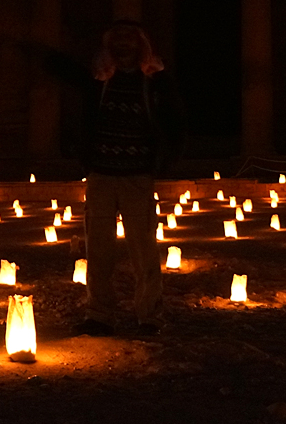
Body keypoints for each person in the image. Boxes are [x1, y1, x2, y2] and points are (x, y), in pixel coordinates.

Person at [27, 21, 185, 336]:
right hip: (101, 173)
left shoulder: (154, 81)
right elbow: (67, 71)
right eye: (118, 39)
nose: (124, 44)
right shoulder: (98, 79)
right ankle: (99, 315)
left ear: (140, 44)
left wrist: (164, 162)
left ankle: (150, 316)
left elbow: (174, 121)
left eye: (130, 38)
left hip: (137, 174)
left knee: (144, 248)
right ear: (109, 45)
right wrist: (38, 50)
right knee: (98, 248)